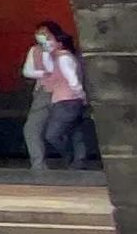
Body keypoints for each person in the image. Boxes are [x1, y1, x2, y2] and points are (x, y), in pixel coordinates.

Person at [23, 21, 95, 169]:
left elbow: (75, 75)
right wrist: (42, 72)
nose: (42, 37)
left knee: (73, 128)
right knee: (33, 128)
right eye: (39, 33)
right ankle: (39, 165)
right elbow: (28, 71)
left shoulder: (64, 53)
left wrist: (81, 95)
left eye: (46, 34)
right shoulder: (35, 50)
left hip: (66, 95)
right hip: (44, 93)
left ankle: (78, 160)